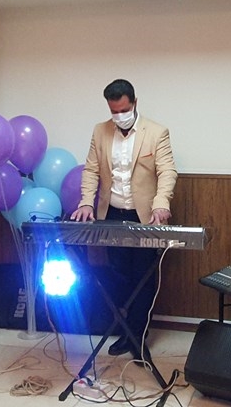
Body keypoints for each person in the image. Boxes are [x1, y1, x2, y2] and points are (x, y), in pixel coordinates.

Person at [71, 78, 178, 358]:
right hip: (112, 214)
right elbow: (91, 170)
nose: (119, 116)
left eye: (124, 110)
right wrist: (86, 202)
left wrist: (161, 204)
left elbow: (167, 171)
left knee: (143, 278)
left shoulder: (157, 132)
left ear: (135, 103)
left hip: (144, 217)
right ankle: (125, 332)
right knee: (119, 276)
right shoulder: (100, 131)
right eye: (114, 111)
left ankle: (138, 338)